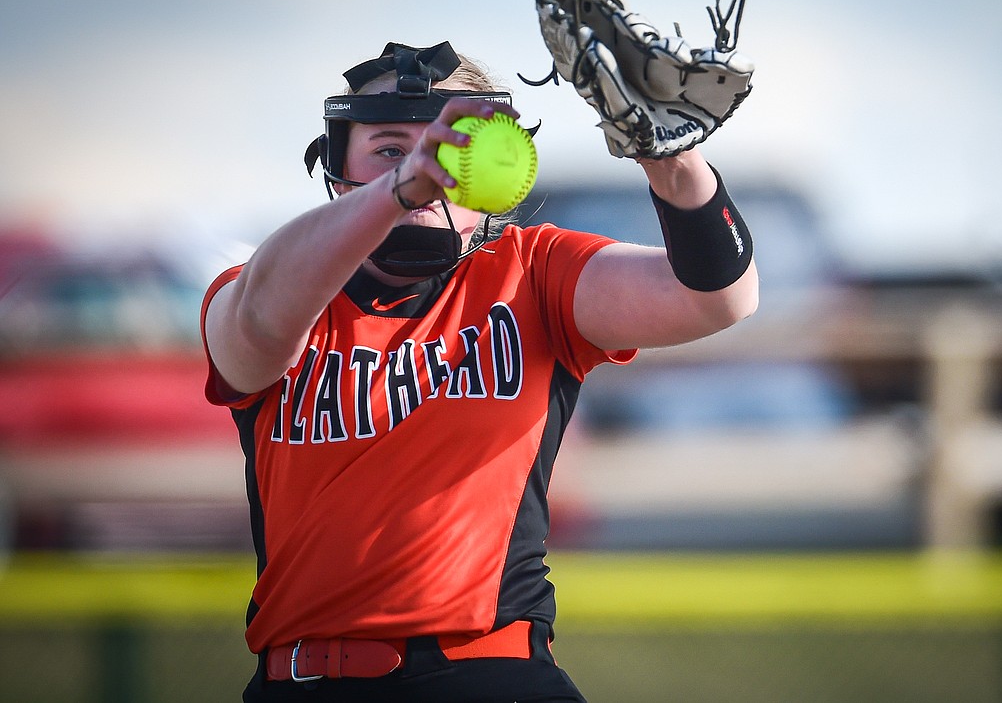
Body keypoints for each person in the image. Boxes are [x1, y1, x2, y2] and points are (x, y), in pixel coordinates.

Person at [200, 40, 759, 702]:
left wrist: (676, 164)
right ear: (336, 170)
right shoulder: (272, 289)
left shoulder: (533, 275)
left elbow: (718, 298)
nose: (424, 170)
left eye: (451, 150)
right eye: (387, 148)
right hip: (305, 680)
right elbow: (257, 326)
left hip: (490, 674)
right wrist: (399, 189)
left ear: (500, 171)